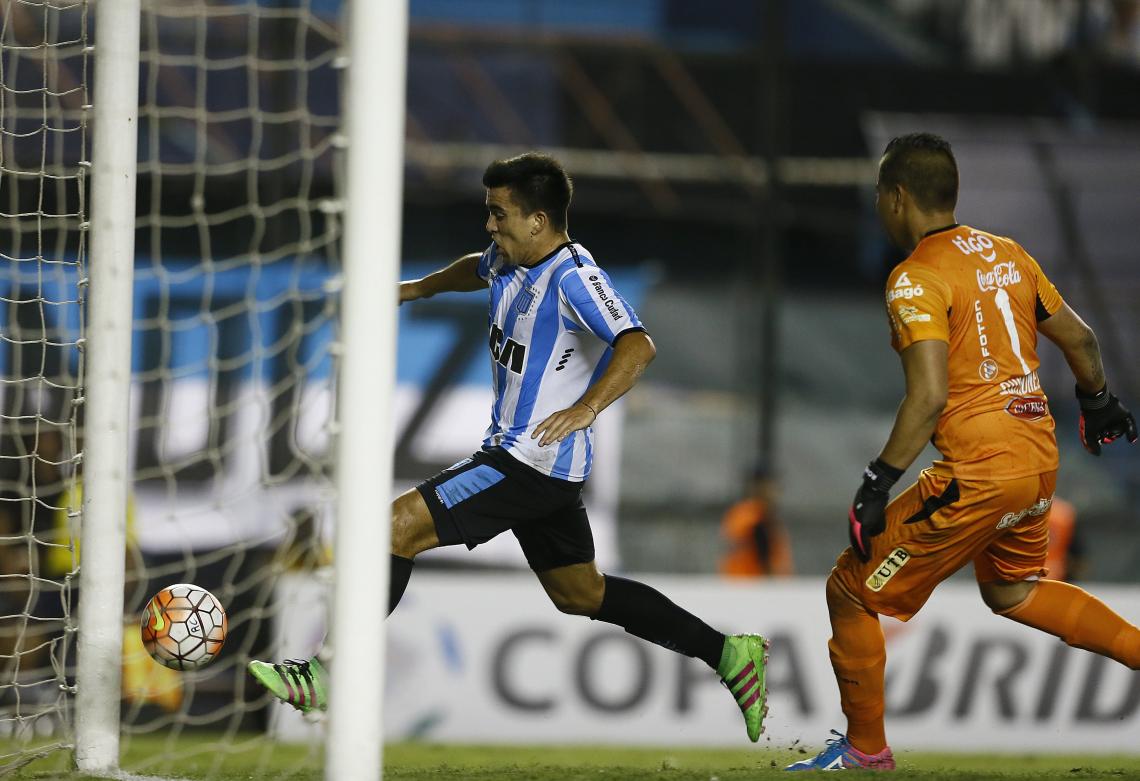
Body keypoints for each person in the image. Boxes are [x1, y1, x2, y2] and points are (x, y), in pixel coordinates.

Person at [248, 152, 770, 741]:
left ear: (539, 221)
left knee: (395, 527)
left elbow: (637, 344)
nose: (490, 225)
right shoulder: (508, 256)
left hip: (529, 459)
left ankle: (325, 675)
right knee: (581, 593)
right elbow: (479, 266)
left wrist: (586, 408)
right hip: (544, 469)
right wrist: (416, 288)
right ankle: (729, 654)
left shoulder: (574, 275)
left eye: (500, 214)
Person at [788, 133, 1138, 771]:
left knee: (851, 589)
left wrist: (876, 483)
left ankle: (865, 752)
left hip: (978, 472)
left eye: (878, 196)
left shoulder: (915, 276)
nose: (877, 209)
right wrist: (1098, 404)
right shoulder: (1009, 254)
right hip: (1037, 460)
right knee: (1013, 590)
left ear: (897, 198)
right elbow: (1082, 341)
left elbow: (927, 398)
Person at [719, 465, 793, 578]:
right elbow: (766, 562)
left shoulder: (739, 514)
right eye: (772, 485)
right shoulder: (758, 518)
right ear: (759, 487)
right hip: (755, 587)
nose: (776, 491)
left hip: (736, 585)